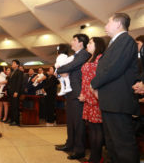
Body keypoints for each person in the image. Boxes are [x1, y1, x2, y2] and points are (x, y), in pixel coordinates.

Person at [91, 13, 140, 163]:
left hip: (118, 101)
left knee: (122, 144)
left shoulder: (125, 40)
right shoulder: (116, 42)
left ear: (118, 24)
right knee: (112, 143)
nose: (105, 26)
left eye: (108, 22)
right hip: (111, 100)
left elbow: (114, 68)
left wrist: (94, 83)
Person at [55, 34, 91, 160]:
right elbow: (66, 67)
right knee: (70, 121)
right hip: (71, 92)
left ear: (81, 43)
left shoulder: (84, 55)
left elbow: (70, 67)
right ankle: (69, 144)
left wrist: (58, 70)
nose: (72, 42)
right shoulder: (74, 56)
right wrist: (60, 70)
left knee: (78, 122)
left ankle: (79, 149)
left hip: (78, 92)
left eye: (74, 40)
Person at [78, 37, 106, 163]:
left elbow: (100, 79)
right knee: (92, 128)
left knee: (97, 129)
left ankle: (96, 158)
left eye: (90, 43)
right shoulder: (90, 58)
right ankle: (94, 157)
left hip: (95, 98)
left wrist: (91, 94)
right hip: (87, 98)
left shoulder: (101, 58)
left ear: (98, 45)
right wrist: (83, 94)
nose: (87, 45)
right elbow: (84, 80)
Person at [8, 59, 23, 126]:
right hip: (11, 91)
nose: (12, 64)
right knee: (11, 106)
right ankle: (12, 119)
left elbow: (19, 83)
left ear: (17, 65)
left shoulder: (19, 72)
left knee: (15, 106)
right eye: (12, 63)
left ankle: (16, 121)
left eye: (14, 63)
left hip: (15, 92)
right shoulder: (12, 72)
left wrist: (16, 91)